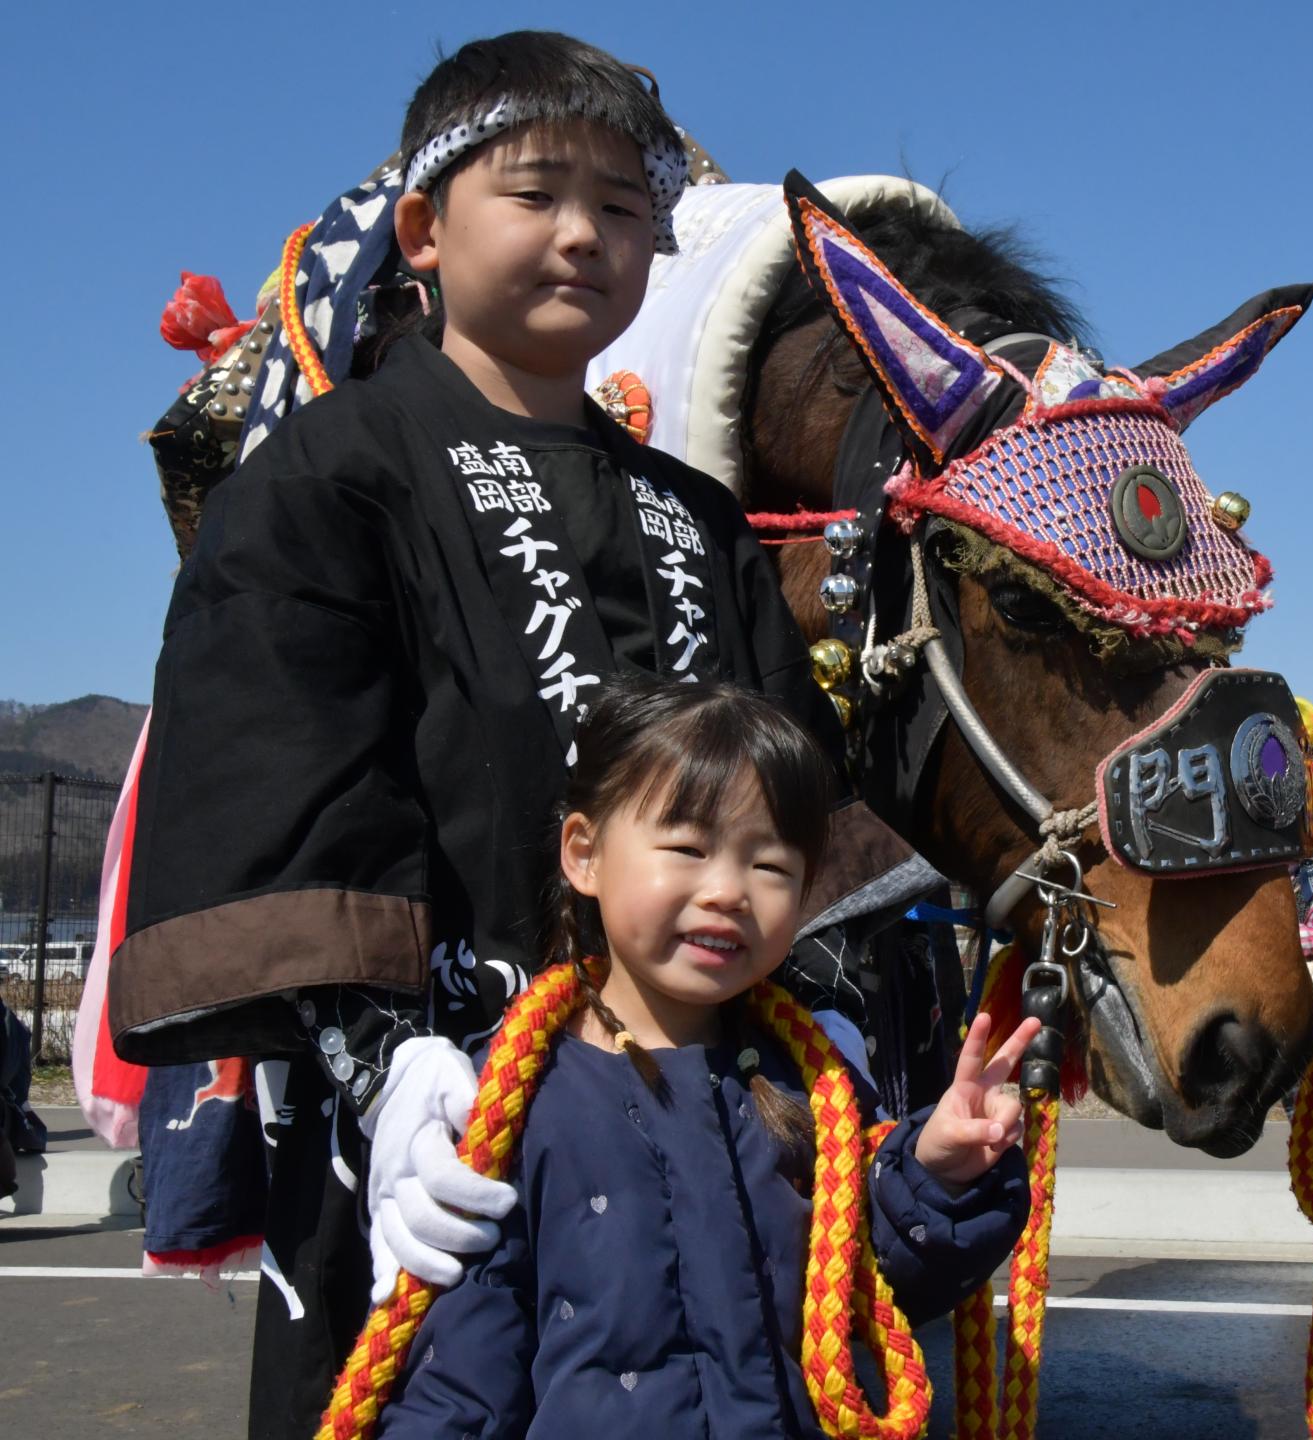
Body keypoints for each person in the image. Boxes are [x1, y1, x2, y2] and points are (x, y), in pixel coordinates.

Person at [107, 33, 837, 1437]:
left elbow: (797, 802)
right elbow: (289, 780)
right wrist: (389, 1068)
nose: (586, 236)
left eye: (625, 207)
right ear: (426, 230)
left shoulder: (701, 519)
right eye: (539, 192)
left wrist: (837, 1031)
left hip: (710, 1120)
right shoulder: (325, 480)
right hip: (450, 1136)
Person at [374, 681, 1030, 1436]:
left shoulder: (813, 1083)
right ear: (585, 855)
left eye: (772, 866)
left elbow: (873, 1287)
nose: (727, 892)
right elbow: (463, 1374)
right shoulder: (514, 1094)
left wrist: (940, 1174)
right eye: (686, 849)